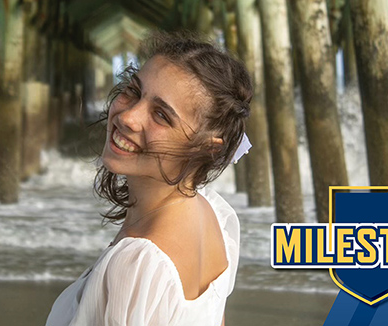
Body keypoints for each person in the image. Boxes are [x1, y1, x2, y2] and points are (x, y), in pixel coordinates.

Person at [45, 30, 252, 326]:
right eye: (134, 91)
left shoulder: (137, 265)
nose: (128, 117)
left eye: (161, 116)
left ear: (207, 147)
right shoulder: (215, 218)